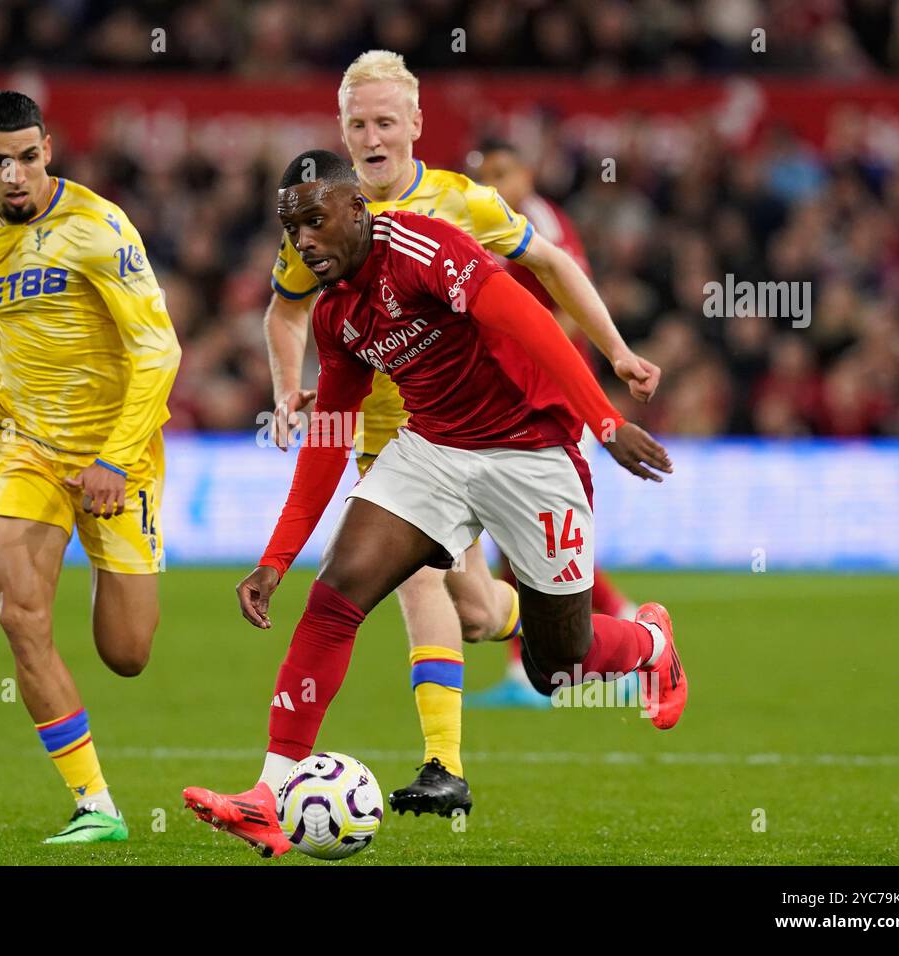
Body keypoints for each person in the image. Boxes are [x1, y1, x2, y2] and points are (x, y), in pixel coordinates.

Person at [183, 151, 684, 858]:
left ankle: (651, 644)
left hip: (532, 449)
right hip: (434, 450)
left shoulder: (423, 245)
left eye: (316, 222)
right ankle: (269, 793)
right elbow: (328, 441)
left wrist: (603, 421)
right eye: (292, 231)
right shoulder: (336, 318)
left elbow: (527, 324)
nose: (305, 244)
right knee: (335, 594)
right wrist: (274, 561)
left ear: (356, 207)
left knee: (555, 663)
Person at [261, 50, 662, 816]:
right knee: (421, 595)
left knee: (487, 619)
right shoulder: (317, 222)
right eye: (357, 123)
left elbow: (547, 269)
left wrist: (614, 355)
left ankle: (471, 739)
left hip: (503, 431)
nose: (372, 135)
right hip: (397, 436)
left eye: (385, 120)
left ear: (414, 124)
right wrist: (288, 388)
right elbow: (286, 313)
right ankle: (419, 767)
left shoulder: (460, 204)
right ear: (342, 133)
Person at [0, 90, 181, 844]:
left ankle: (105, 559)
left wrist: (115, 459)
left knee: (127, 654)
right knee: (19, 611)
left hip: (115, 457)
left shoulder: (99, 229)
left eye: (28, 157)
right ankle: (95, 804)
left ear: (48, 151)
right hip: (25, 448)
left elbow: (160, 352)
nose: (15, 175)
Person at [464, 137, 640, 710]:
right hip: (511, 403)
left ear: (529, 173)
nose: (492, 184)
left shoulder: (537, 221)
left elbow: (569, 304)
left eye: (502, 172)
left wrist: (522, 362)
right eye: (482, 174)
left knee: (538, 539)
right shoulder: (482, 220)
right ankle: (534, 666)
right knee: (519, 541)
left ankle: (624, 625)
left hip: (556, 401)